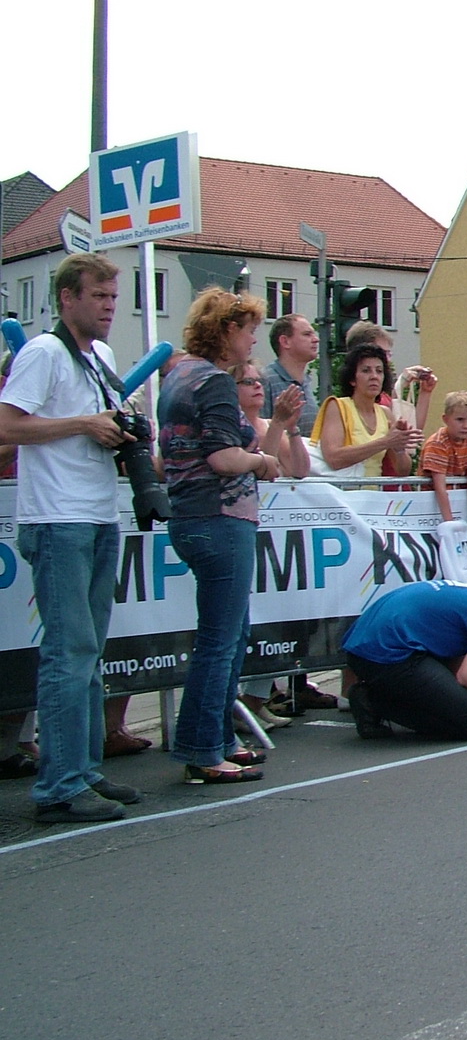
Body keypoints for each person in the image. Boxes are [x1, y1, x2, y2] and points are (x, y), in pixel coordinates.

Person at [0, 254, 144, 821]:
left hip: (98, 512)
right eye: (99, 297)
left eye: (114, 297)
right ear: (67, 298)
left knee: (89, 651)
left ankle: (83, 770)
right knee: (69, 651)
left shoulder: (101, 357)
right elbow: (7, 424)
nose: (110, 307)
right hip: (56, 517)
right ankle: (59, 785)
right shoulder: (43, 352)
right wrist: (83, 424)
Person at [159, 287, 287, 786]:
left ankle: (218, 738)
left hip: (189, 515)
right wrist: (262, 461)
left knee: (227, 636)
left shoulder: (178, 375)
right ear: (228, 330)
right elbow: (223, 458)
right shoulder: (213, 381)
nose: (254, 339)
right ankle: (203, 749)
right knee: (220, 641)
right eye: (250, 329)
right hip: (219, 516)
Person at [344, 582, 467, 740]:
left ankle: (374, 697)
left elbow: (455, 675)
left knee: (466, 705)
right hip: (391, 653)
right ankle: (373, 701)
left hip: (361, 649)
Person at [233, 356, 309, 732]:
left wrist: (291, 429)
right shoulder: (235, 425)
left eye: (258, 381)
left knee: (277, 617)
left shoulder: (267, 423)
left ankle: (256, 698)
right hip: (244, 524)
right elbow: (261, 465)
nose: (257, 387)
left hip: (275, 533)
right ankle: (234, 703)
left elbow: (298, 470)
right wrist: (278, 424)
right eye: (247, 382)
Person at [311, 344, 418, 477]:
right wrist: (386, 442)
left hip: (374, 490)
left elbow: (402, 471)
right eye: (366, 371)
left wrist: (400, 449)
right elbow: (333, 458)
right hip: (344, 489)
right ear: (352, 379)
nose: (374, 376)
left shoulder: (385, 413)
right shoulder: (337, 406)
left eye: (379, 371)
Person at [421, 390, 467, 528]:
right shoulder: (438, 443)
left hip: (458, 502)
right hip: (430, 507)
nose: (465, 426)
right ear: (446, 419)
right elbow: (439, 486)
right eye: (460, 420)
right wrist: (450, 524)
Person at [261, 313, 321, 438]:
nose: (316, 339)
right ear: (285, 341)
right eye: (307, 334)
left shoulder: (306, 381)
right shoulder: (264, 380)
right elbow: (259, 431)